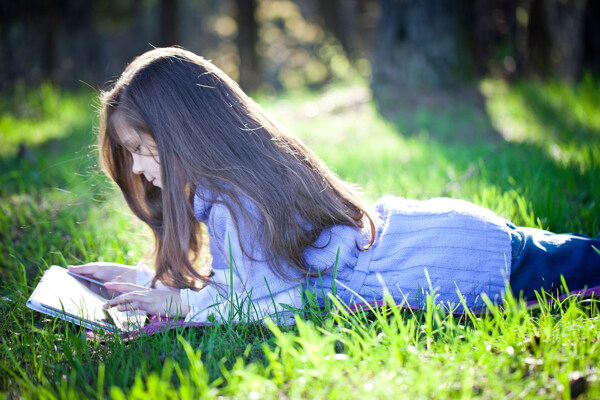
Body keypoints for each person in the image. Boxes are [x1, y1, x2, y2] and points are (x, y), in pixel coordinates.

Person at [68, 47, 600, 325]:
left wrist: (175, 303)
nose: (138, 170)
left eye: (142, 149)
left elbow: (270, 304)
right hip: (441, 238)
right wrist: (140, 281)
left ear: (185, 131)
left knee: (584, 268)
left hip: (453, 264)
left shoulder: (236, 201)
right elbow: (249, 283)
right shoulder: (238, 183)